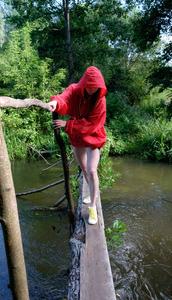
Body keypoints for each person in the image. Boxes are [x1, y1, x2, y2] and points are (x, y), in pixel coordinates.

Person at [48, 66, 107, 225]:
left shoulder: (100, 100)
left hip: (94, 135)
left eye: (95, 86)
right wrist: (55, 103)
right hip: (77, 137)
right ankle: (91, 192)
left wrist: (68, 125)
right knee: (85, 169)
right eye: (89, 85)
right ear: (84, 83)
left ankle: (93, 207)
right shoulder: (74, 90)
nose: (92, 89)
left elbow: (92, 124)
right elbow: (63, 99)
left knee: (93, 169)